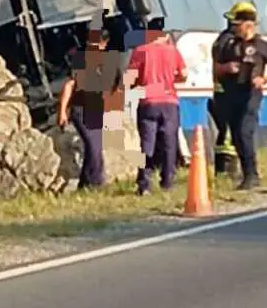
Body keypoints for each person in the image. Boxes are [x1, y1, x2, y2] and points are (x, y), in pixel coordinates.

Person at [212, 3, 267, 190]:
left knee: (245, 132)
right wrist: (226, 68)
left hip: (251, 94)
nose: (235, 29)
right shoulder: (229, 45)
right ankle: (246, 172)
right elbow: (216, 68)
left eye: (238, 25)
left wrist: (264, 79)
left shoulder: (263, 46)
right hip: (231, 94)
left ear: (248, 25)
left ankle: (252, 174)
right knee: (236, 135)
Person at [57, 22, 125, 189]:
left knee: (96, 147)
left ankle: (86, 183)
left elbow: (117, 85)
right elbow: (69, 85)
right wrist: (63, 111)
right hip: (80, 108)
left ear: (104, 43)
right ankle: (96, 182)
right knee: (92, 145)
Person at [126, 17, 188, 196]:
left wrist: (141, 81)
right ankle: (167, 181)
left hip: (148, 102)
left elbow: (130, 79)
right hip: (170, 102)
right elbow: (184, 75)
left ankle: (144, 183)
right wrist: (171, 80)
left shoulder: (140, 51)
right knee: (169, 143)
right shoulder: (172, 51)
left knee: (146, 144)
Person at [207, 5, 240, 155]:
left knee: (225, 131)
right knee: (229, 131)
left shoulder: (221, 39)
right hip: (229, 91)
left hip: (222, 90)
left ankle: (225, 159)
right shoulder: (230, 42)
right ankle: (228, 161)